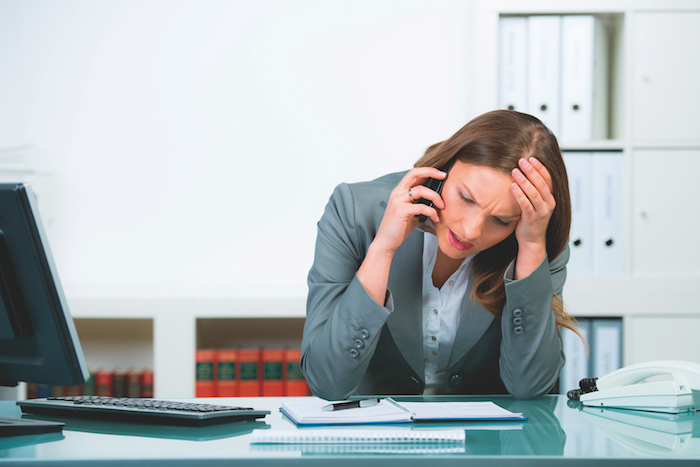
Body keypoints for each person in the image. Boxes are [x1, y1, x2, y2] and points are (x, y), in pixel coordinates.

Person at [300, 109, 573, 400]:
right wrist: (382, 249)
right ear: (445, 167)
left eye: (501, 221)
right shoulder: (352, 210)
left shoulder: (534, 238)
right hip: (380, 438)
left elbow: (529, 387)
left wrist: (531, 247)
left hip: (484, 440)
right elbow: (326, 382)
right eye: (466, 198)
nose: (470, 231)